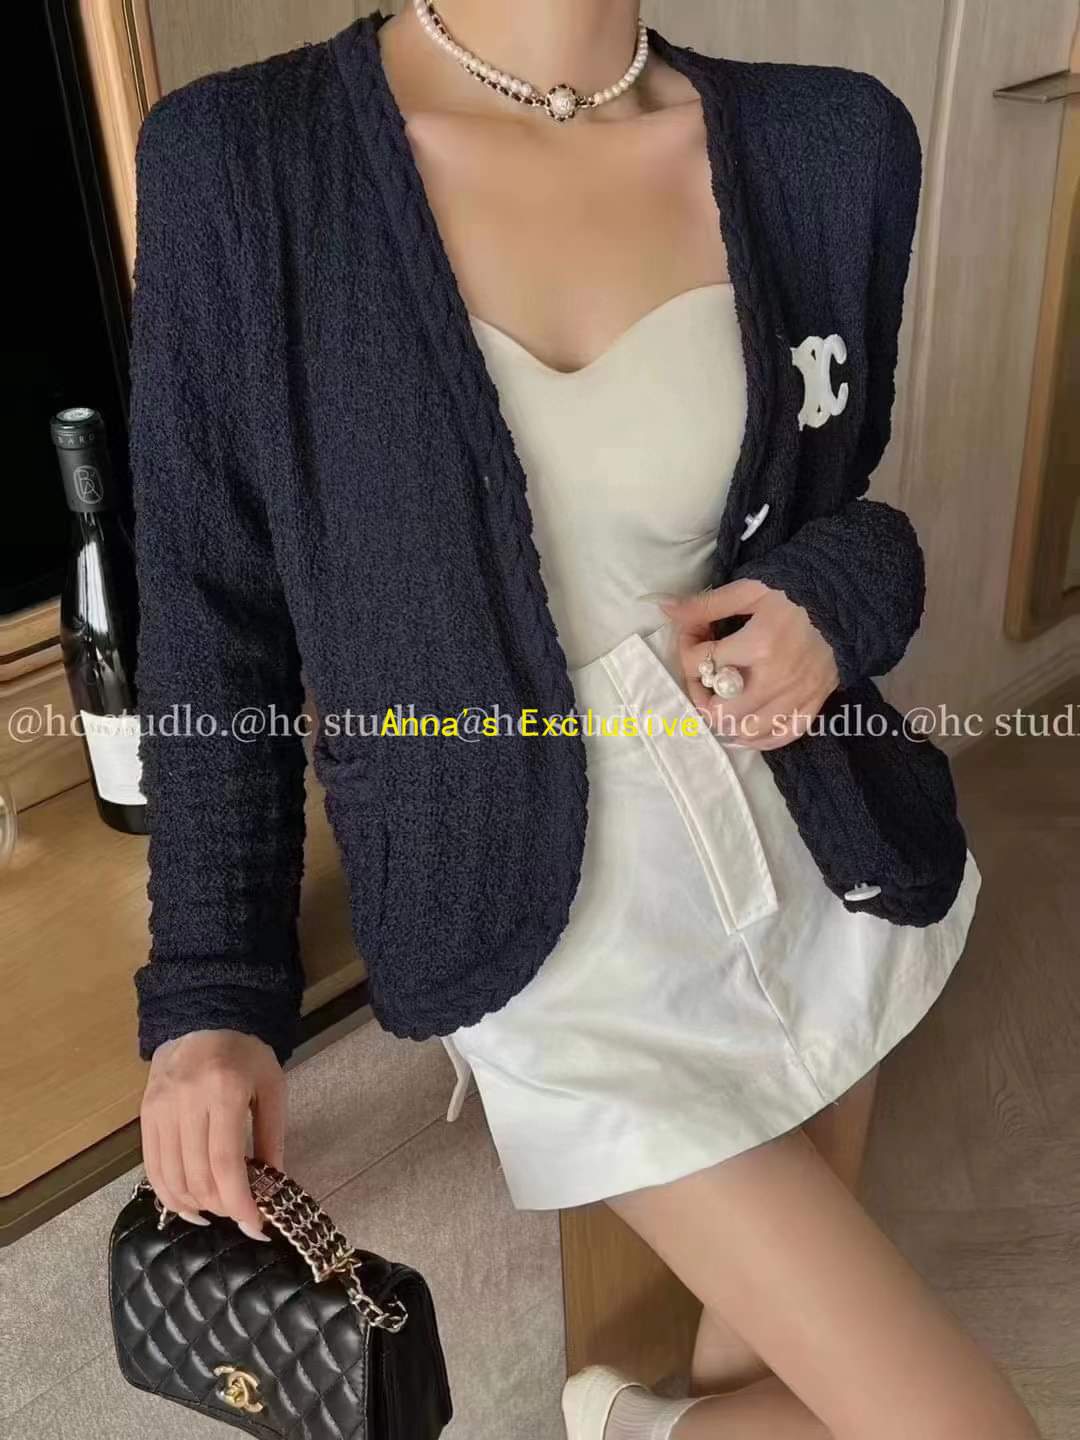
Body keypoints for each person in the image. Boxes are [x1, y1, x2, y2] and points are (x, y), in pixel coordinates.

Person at [132, 4, 1040, 1437]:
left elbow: (844, 515)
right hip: (548, 927)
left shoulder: (832, 138)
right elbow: (212, 616)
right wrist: (211, 992)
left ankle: (644, 1422)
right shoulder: (243, 163)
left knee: (774, 1377)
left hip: (822, 849)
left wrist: (830, 602)